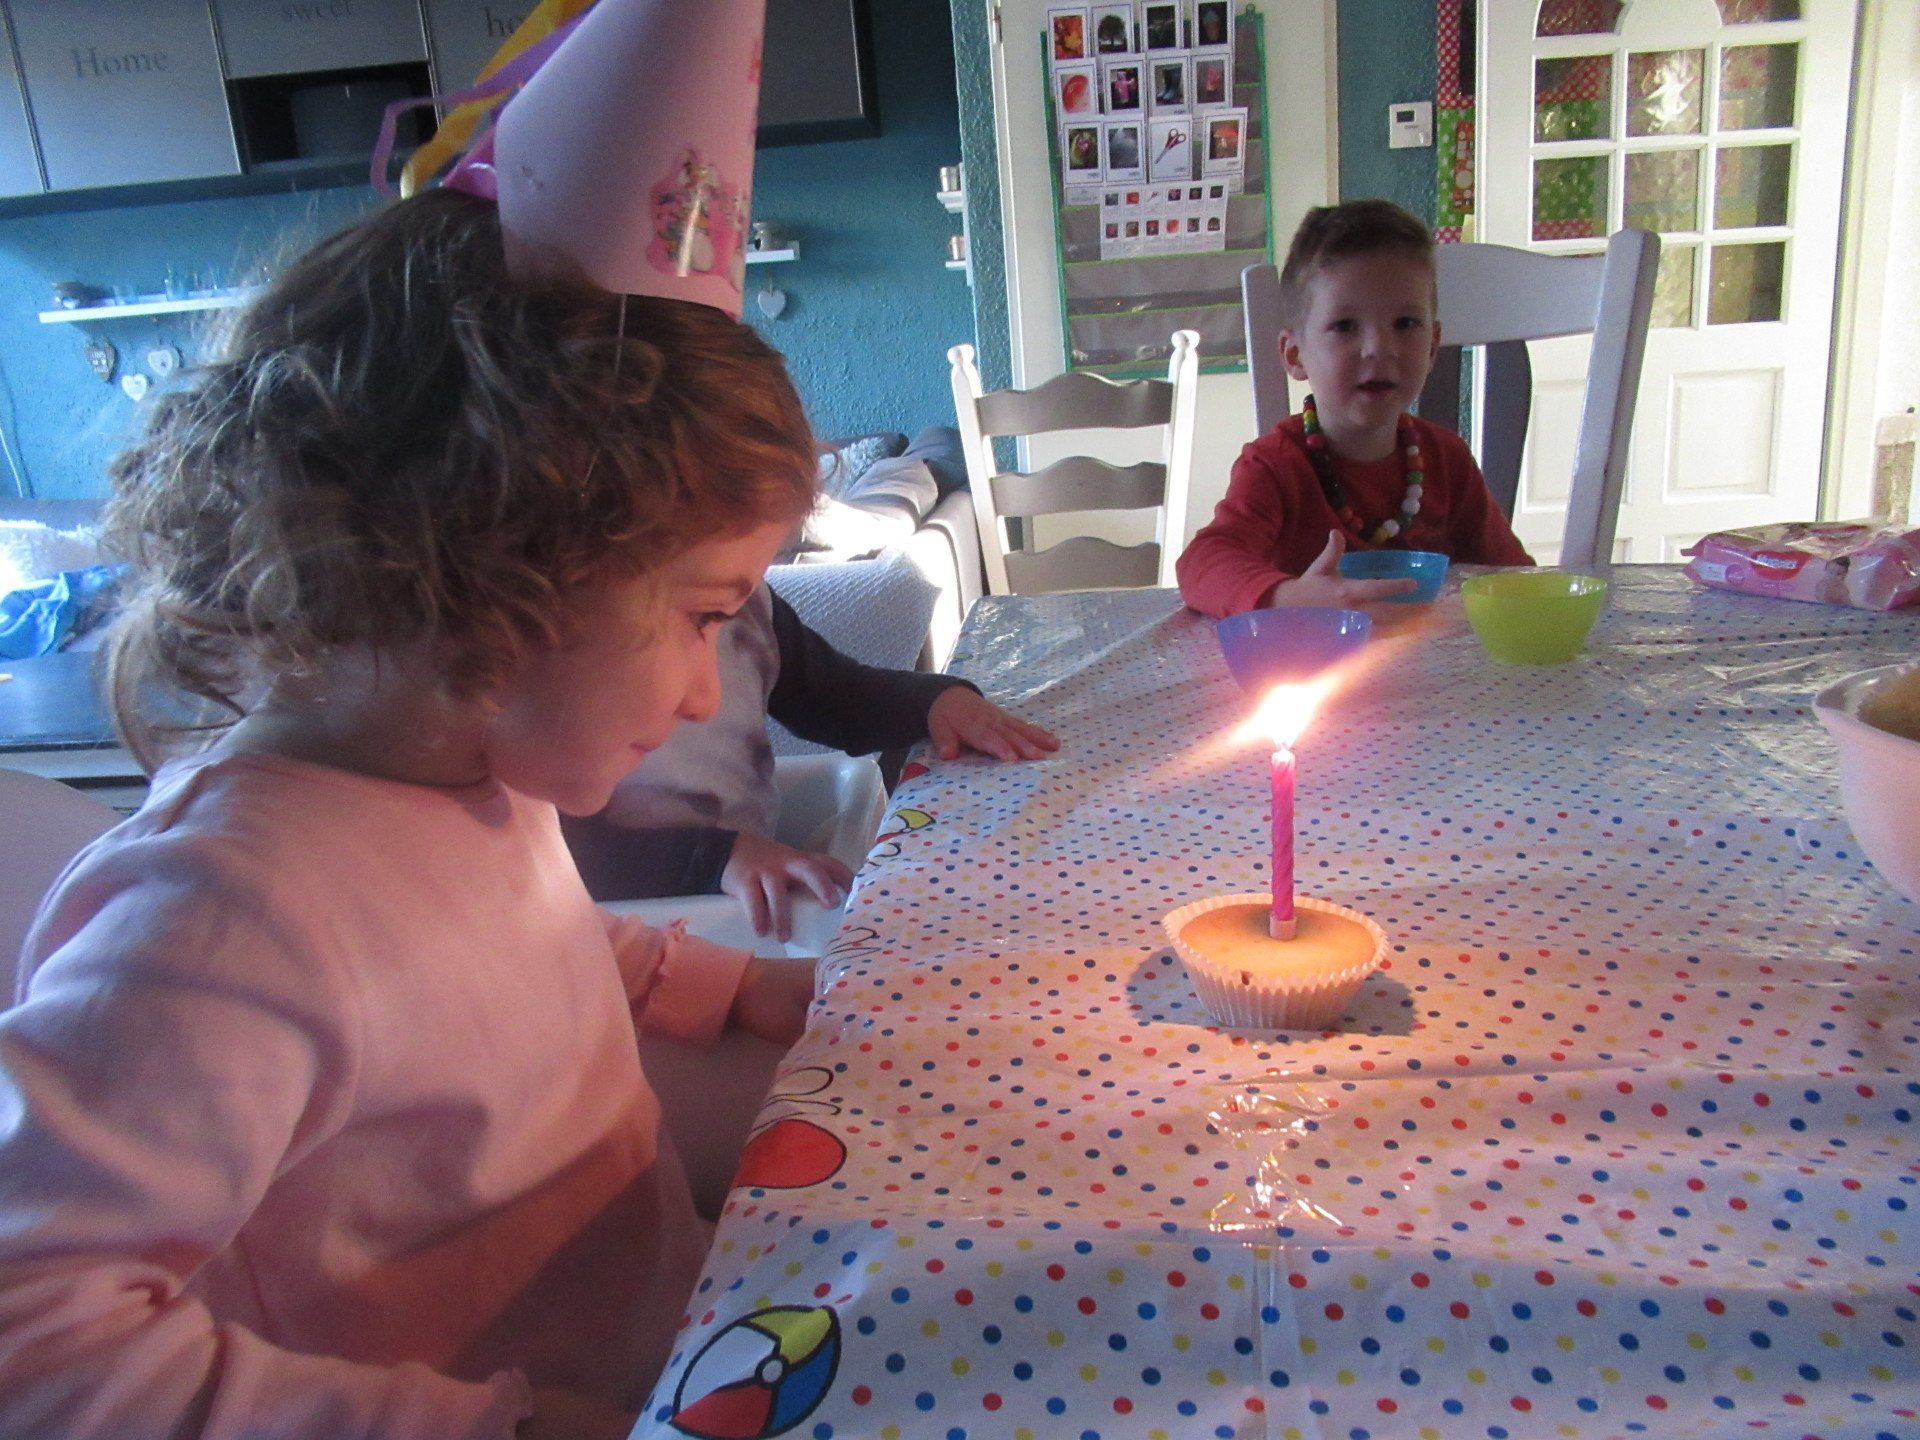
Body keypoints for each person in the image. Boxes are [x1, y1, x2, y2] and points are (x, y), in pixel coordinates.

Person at [0, 186, 820, 1440]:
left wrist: (728, 984)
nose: (709, 689)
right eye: (703, 614)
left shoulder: (472, 782)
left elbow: (509, 967)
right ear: (497, 567)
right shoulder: (224, 919)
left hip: (662, 1345)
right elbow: (33, 1339)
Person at [563, 583, 1058, 939]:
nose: (705, 702)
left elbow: (833, 696)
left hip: (746, 888)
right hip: (637, 929)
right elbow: (566, 858)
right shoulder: (567, 646)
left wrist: (932, 701)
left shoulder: (742, 595)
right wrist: (714, 859)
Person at [1177, 199, 1533, 617]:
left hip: (1429, 655)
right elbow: (1201, 563)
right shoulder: (1275, 466)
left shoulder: (1446, 461)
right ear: (1294, 355)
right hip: (1311, 655)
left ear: (1432, 346)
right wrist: (1290, 598)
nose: (1379, 348)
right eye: (1345, 326)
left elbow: (1513, 580)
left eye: (1405, 323)